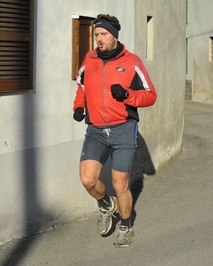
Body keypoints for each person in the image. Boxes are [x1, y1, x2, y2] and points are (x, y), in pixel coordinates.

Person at [72, 14, 157, 248]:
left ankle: (126, 227)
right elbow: (81, 86)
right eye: (96, 34)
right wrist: (79, 106)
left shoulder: (132, 61)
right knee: (88, 179)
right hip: (96, 130)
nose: (99, 39)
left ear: (114, 36)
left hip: (123, 129)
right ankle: (106, 205)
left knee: (120, 183)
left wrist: (128, 95)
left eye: (103, 34)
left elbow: (151, 95)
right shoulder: (89, 59)